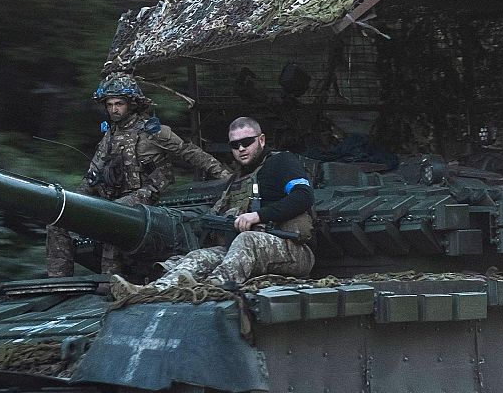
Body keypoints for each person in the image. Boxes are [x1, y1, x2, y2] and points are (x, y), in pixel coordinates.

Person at [45, 72, 229, 277]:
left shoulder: (153, 131)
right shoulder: (109, 137)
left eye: (119, 104)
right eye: (109, 104)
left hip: (148, 196)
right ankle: (58, 282)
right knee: (58, 219)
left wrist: (225, 177)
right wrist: (74, 203)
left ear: (131, 103)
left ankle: (109, 280)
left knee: (111, 214)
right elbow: (92, 175)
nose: (114, 109)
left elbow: (189, 152)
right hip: (114, 198)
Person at [111, 116, 314, 296]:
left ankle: (211, 288)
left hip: (293, 250)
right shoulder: (236, 180)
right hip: (242, 249)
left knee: (247, 239)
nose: (241, 149)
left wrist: (257, 216)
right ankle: (151, 291)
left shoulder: (282, 162)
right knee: (198, 256)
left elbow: (303, 196)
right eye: (235, 145)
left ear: (261, 140)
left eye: (247, 142)